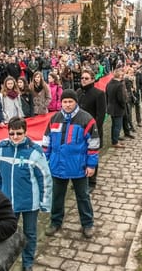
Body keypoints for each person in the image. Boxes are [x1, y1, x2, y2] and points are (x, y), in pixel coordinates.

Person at [0, 117, 52, 271]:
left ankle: (28, 263)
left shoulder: (34, 153)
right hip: (8, 203)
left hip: (30, 203)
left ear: (25, 132)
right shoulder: (1, 150)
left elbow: (45, 178)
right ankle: (7, 260)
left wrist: (45, 203)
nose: (15, 137)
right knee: (8, 235)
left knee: (30, 234)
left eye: (19, 133)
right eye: (12, 133)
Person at [42, 89, 99, 239]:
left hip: (78, 167)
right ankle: (55, 222)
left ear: (76, 102)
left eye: (70, 102)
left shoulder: (86, 119)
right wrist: (45, 159)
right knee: (57, 197)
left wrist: (91, 165)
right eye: (64, 102)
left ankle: (87, 224)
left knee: (83, 196)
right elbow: (47, 141)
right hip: (57, 166)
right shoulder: (54, 118)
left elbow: (93, 144)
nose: (67, 105)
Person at [76, 68, 107, 192]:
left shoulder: (99, 94)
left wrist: (94, 131)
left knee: (91, 156)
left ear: (92, 79)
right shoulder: (78, 92)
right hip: (78, 130)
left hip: (92, 131)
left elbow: (101, 115)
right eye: (82, 78)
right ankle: (82, 179)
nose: (83, 80)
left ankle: (92, 181)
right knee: (80, 155)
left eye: (86, 78)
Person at [106, 68, 126, 149]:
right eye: (122, 75)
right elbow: (121, 98)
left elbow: (106, 95)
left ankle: (114, 139)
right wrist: (124, 105)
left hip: (111, 107)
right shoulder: (119, 85)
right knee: (117, 125)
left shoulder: (109, 83)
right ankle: (115, 142)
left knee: (114, 125)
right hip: (118, 108)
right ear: (120, 75)